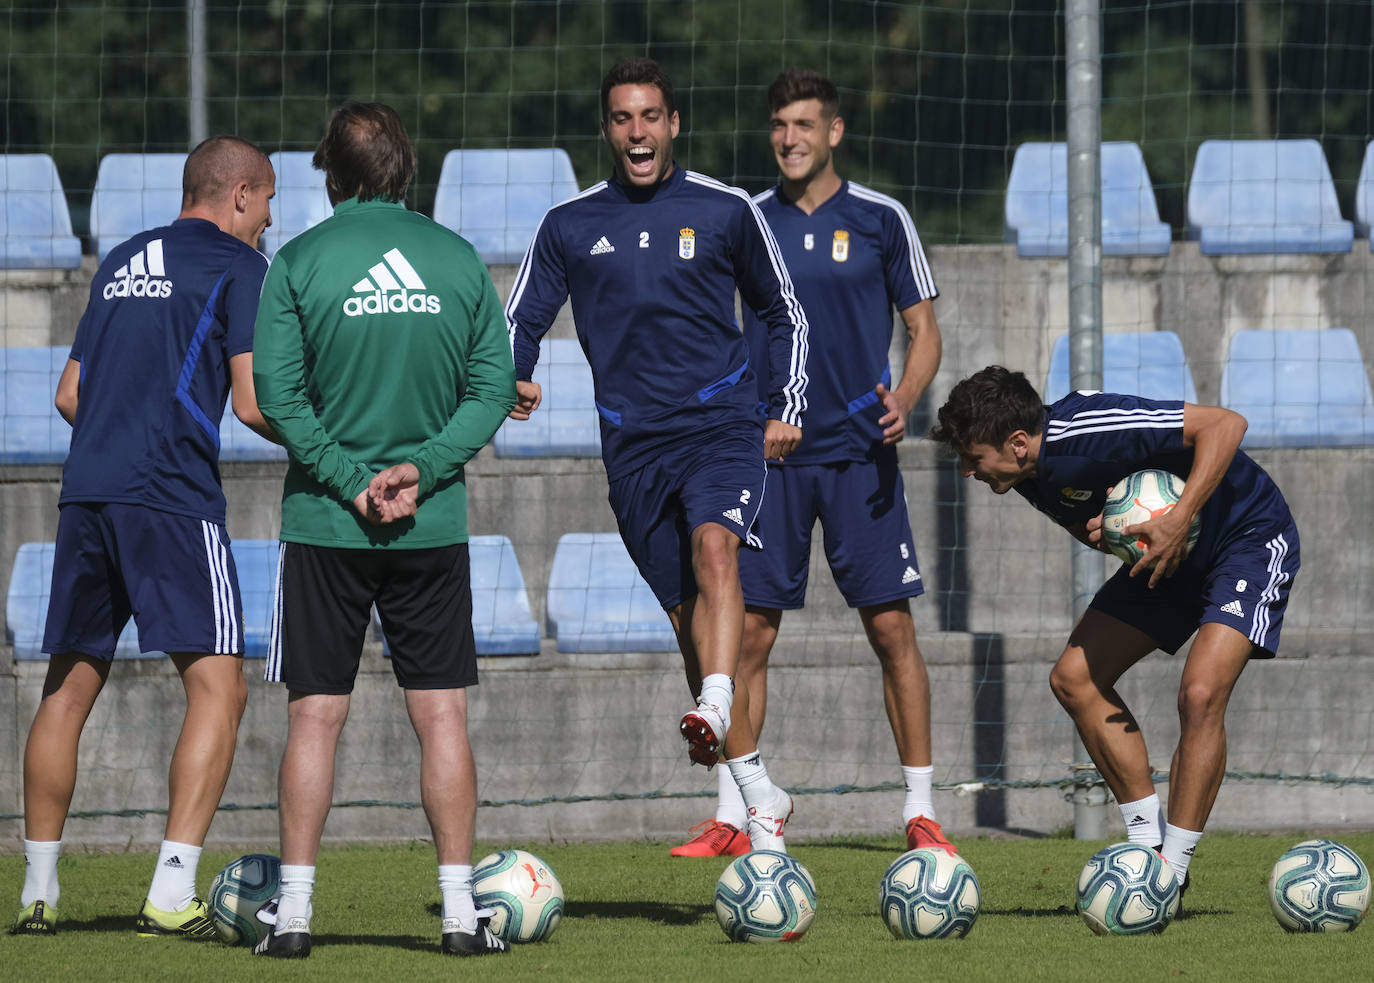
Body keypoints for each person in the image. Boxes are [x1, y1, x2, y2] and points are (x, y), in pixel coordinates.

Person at [505, 57, 809, 852]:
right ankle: (760, 799)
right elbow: (520, 319)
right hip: (632, 448)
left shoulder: (726, 210)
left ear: (674, 124)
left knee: (718, 549)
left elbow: (785, 313)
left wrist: (784, 404)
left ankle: (714, 700)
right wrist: (515, 376)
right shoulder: (568, 224)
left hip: (721, 428)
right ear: (607, 129)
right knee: (687, 621)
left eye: (649, 117)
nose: (636, 132)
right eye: (621, 119)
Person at [250, 102, 515, 959]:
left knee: (314, 719)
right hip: (430, 524)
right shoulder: (458, 259)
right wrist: (422, 470)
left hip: (327, 524)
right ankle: (457, 916)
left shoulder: (296, 262)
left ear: (330, 173)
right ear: (408, 165)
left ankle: (292, 919)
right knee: (442, 717)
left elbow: (276, 401)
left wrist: (352, 482)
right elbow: (492, 390)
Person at [670, 68, 955, 859]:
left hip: (861, 456)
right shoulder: (744, 220)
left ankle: (922, 811)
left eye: (803, 124)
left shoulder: (880, 218)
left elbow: (924, 328)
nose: (788, 138)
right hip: (767, 458)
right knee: (749, 637)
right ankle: (738, 813)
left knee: (892, 629)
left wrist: (906, 391)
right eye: (778, 125)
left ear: (834, 132)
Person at [10, 137, 277, 938]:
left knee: (67, 689)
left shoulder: (123, 256)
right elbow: (255, 402)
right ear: (237, 195)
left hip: (88, 489)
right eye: (266, 202)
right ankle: (168, 890)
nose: (268, 221)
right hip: (170, 496)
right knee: (220, 686)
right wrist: (338, 455)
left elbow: (68, 394)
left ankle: (39, 891)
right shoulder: (240, 267)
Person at [929, 365, 1301, 900]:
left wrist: (1176, 520)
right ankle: (1147, 850)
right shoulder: (1026, 477)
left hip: (1246, 536)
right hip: (1165, 555)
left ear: (1015, 443)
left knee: (1199, 694)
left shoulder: (1090, 429)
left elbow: (1225, 424)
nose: (967, 471)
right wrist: (1114, 534)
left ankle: (1170, 873)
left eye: (972, 457)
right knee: (1074, 678)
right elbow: (1094, 525)